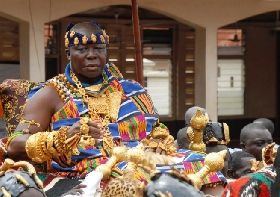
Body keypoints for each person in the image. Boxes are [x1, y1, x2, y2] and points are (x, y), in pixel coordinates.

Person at [5, 21, 175, 195]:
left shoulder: (131, 89)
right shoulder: (52, 94)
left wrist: (158, 142)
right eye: (82, 49)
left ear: (106, 51)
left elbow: (157, 130)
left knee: (199, 164)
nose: (91, 55)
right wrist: (64, 137)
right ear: (68, 53)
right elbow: (15, 146)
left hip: (144, 160)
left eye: (98, 48)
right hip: (91, 172)